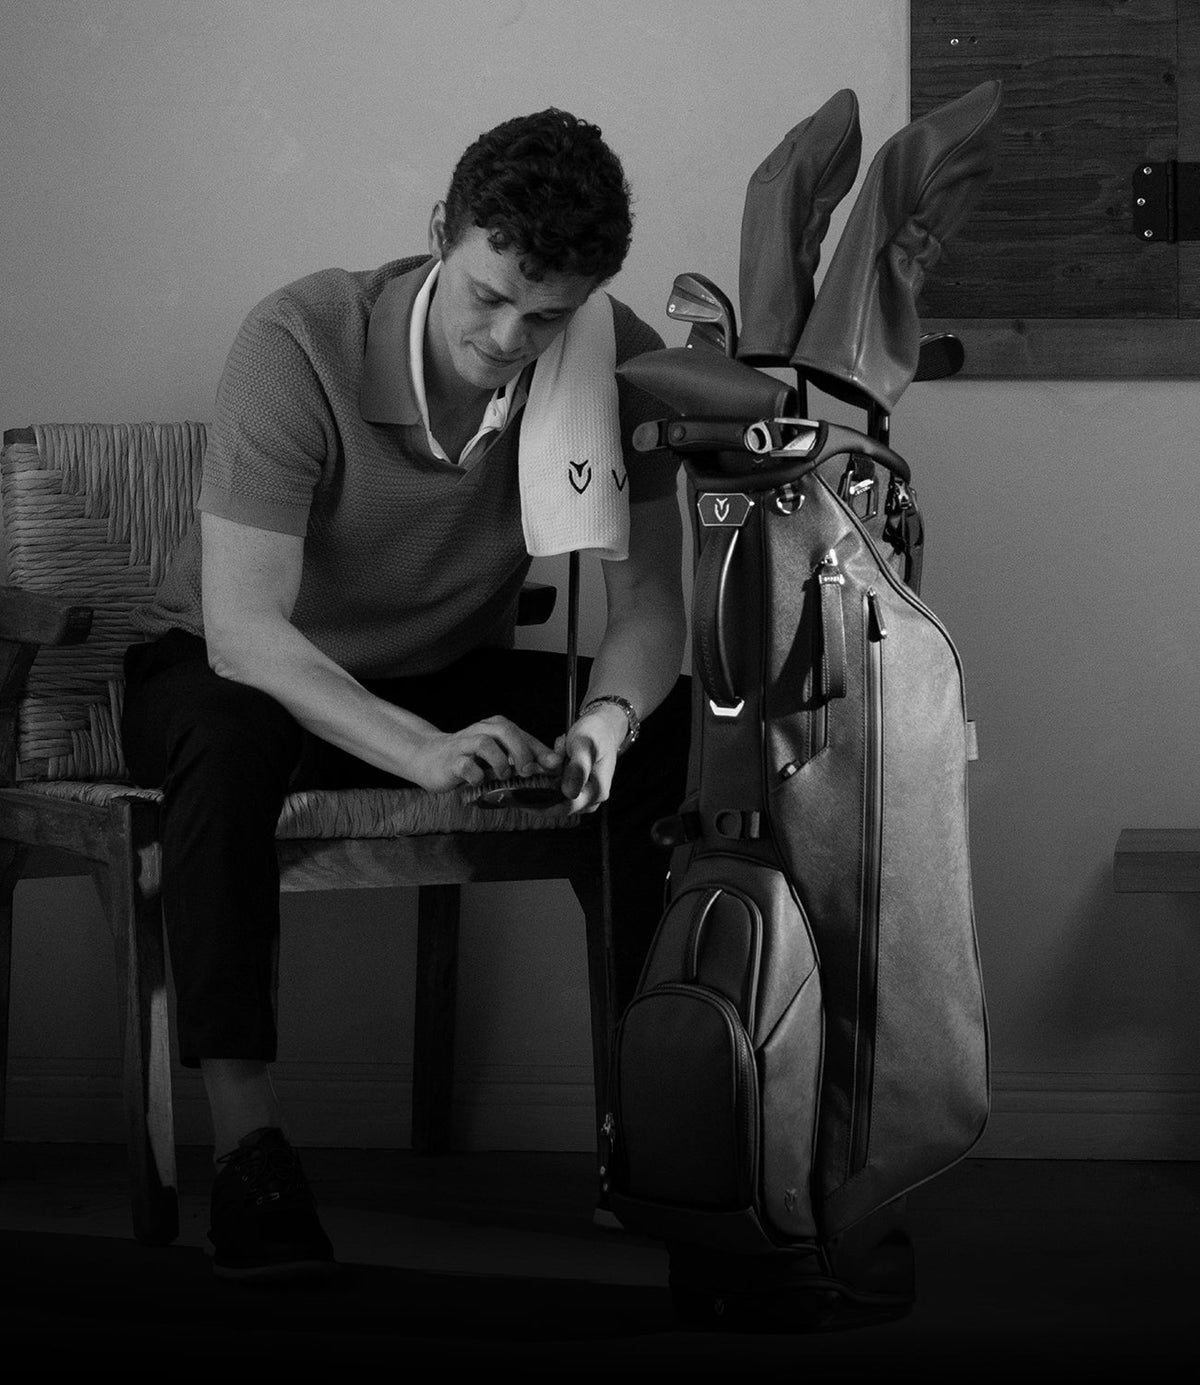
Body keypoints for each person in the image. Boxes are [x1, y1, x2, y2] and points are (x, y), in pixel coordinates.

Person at [120, 108, 690, 1282]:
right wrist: (418, 749)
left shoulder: (611, 356)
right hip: (235, 670)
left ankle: (652, 1132)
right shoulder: (300, 339)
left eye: (548, 316)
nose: (511, 337)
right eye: (490, 295)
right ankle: (251, 1148)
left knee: (680, 734)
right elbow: (245, 629)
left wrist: (606, 722)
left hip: (441, 668)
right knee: (223, 745)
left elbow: (649, 607)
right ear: (441, 232)